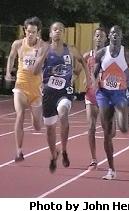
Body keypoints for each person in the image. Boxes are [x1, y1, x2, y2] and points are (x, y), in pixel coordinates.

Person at [94, 25, 129, 180]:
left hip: (119, 93)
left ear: (122, 36)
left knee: (123, 129)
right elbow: (94, 72)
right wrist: (94, 87)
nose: (115, 35)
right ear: (109, 36)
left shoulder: (128, 55)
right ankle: (111, 169)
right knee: (107, 133)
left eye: (118, 33)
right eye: (113, 33)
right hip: (104, 94)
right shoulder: (101, 53)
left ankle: (124, 118)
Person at [42, 22, 90, 173]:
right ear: (50, 33)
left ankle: (63, 150)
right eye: (55, 30)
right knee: (50, 129)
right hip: (49, 93)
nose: (58, 32)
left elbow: (83, 60)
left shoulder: (70, 49)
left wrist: (85, 77)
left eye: (61, 30)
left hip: (65, 91)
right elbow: (36, 69)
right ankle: (53, 154)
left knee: (63, 115)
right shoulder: (45, 50)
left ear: (64, 33)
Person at [5, 17, 49, 162]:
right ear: (25, 30)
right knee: (19, 114)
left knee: (37, 125)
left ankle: (36, 116)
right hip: (21, 85)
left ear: (38, 32)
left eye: (33, 32)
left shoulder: (43, 46)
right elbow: (11, 58)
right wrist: (8, 73)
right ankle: (18, 151)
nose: (30, 34)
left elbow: (43, 67)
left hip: (36, 89)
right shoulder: (18, 44)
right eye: (28, 31)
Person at [83, 27, 110, 170]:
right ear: (94, 38)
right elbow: (81, 70)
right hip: (91, 94)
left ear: (106, 39)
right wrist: (84, 79)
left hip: (105, 94)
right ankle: (93, 159)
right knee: (91, 127)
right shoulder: (88, 55)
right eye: (97, 35)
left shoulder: (109, 55)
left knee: (107, 129)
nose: (99, 38)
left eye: (102, 36)